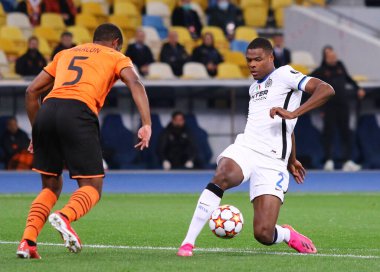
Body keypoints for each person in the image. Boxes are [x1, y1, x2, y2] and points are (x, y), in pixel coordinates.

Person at [177, 37, 335, 257]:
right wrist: (293, 157)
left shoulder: (285, 74)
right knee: (223, 175)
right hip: (247, 147)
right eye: (248, 60)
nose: (252, 64)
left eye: (257, 59)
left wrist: (293, 116)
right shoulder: (254, 88)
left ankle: (287, 235)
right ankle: (188, 243)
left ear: (271, 58)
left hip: (272, 161)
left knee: (263, 233)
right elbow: (281, 126)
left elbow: (326, 89)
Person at [16, 23, 151, 259]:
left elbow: (31, 92)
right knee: (92, 186)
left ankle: (27, 242)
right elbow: (135, 83)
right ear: (116, 43)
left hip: (47, 110)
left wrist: (36, 131)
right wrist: (146, 123)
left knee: (50, 186)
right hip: (78, 112)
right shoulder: (116, 56)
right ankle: (65, 216)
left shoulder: (66, 53)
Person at [310, 46, 365, 171]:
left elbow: (348, 78)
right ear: (325, 58)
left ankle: (347, 161)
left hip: (342, 105)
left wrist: (358, 88)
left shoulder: (340, 66)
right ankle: (328, 160)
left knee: (345, 133)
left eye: (334, 56)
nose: (333, 58)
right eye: (330, 56)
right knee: (328, 133)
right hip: (328, 106)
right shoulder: (321, 70)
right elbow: (309, 81)